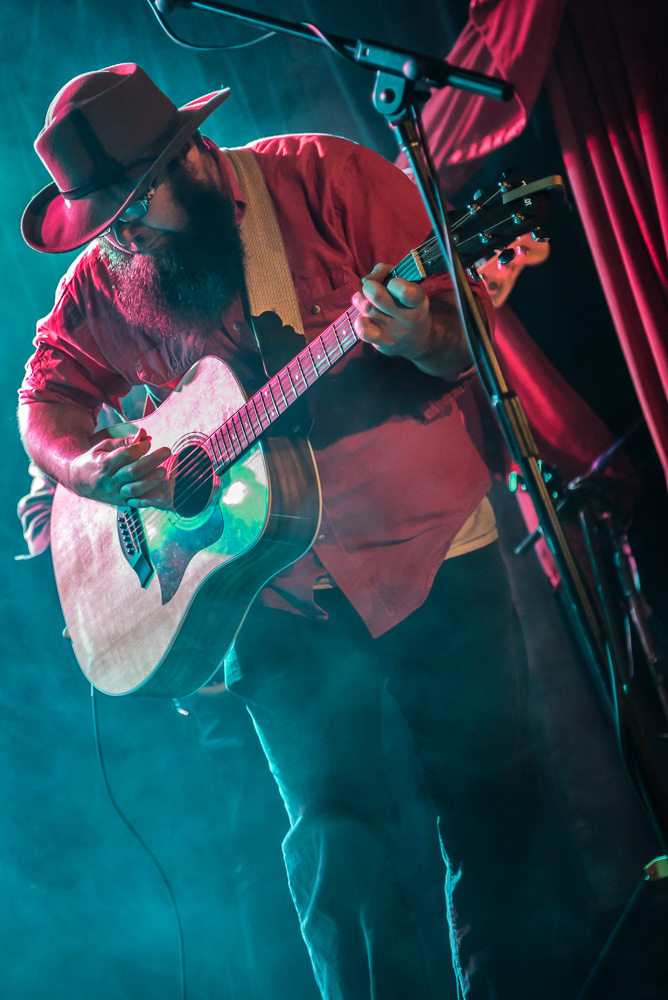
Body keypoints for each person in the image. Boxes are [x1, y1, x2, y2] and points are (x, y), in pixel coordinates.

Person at [18, 63, 559, 1000]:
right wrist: (90, 468)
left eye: (134, 212)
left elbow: (461, 338)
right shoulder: (108, 278)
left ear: (188, 159)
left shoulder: (326, 179)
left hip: (426, 545)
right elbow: (44, 402)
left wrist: (416, 333)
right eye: (106, 228)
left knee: (496, 807)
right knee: (337, 855)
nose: (124, 241)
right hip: (265, 593)